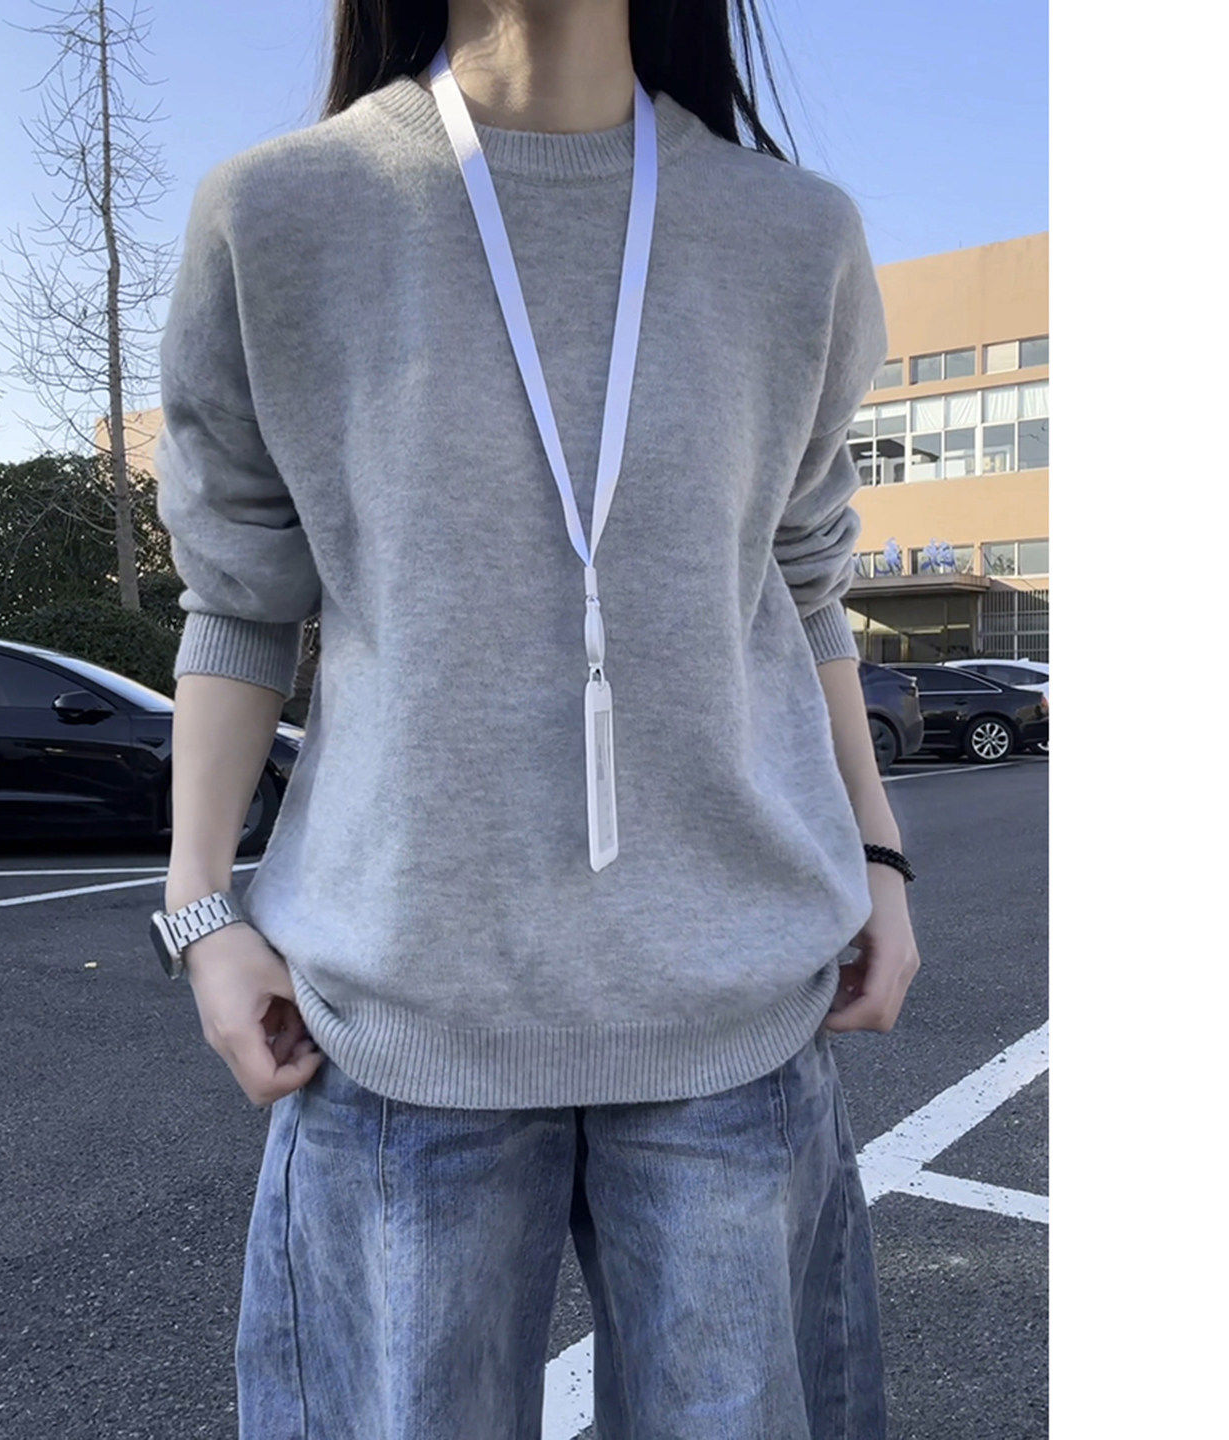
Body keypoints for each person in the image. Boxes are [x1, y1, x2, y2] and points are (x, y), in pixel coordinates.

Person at [150, 1, 922, 1435]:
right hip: (397, 1026)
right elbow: (240, 599)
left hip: (734, 1018)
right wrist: (202, 911)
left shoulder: (794, 238)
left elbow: (802, 579)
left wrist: (879, 856)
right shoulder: (280, 216)